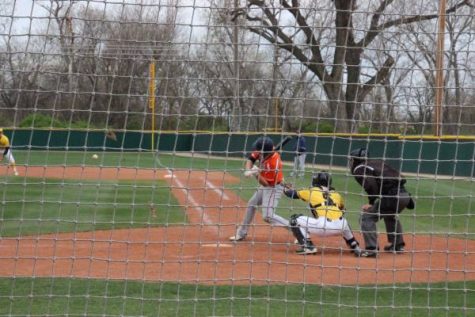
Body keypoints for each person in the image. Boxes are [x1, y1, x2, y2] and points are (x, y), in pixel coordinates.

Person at [349, 148, 415, 257]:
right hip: (404, 195)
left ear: (356, 159)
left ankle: (371, 249)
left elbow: (371, 185)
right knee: (389, 214)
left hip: (393, 196)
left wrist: (371, 202)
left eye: (352, 159)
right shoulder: (377, 162)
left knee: (367, 217)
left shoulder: (359, 168)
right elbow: (397, 177)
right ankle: (397, 245)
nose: (351, 162)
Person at [283, 171, 362, 256]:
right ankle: (354, 245)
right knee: (343, 220)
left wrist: (285, 188)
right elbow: (343, 210)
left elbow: (290, 194)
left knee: (295, 219)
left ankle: (308, 246)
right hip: (341, 227)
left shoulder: (312, 191)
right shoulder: (336, 194)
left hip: (324, 227)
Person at [229, 136, 290, 241]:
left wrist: (256, 174)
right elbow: (251, 159)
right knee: (251, 204)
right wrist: (248, 170)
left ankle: (298, 229)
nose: (257, 151)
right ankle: (241, 233)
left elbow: (266, 184)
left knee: (268, 216)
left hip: (274, 187)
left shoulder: (274, 163)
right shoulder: (264, 150)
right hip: (267, 184)